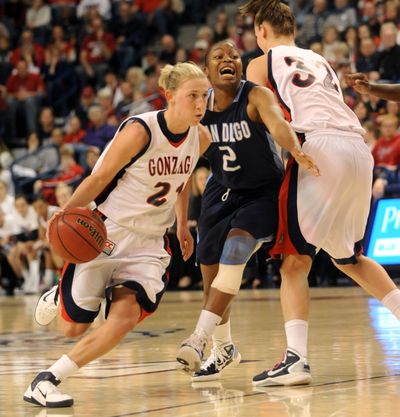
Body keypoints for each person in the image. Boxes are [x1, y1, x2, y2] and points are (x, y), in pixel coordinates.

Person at [23, 61, 211, 408]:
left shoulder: (201, 136)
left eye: (205, 96)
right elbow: (97, 179)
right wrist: (62, 217)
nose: (201, 104)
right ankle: (58, 296)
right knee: (72, 329)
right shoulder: (140, 132)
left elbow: (182, 180)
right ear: (169, 96)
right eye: (192, 96)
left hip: (150, 243)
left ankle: (47, 379)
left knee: (124, 318)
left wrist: (182, 223)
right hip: (106, 235)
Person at [238, 0, 400, 387]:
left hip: (318, 148)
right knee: (349, 257)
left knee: (294, 259)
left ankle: (295, 359)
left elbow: (262, 118)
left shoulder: (262, 62)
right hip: (358, 150)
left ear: (261, 31)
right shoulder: (320, 60)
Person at [176, 40, 319, 378]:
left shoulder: (254, 96)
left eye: (234, 56)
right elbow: (182, 170)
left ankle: (198, 339)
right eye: (219, 57)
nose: (228, 60)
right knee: (210, 276)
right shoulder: (200, 109)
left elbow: (279, 125)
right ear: (207, 71)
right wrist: (181, 224)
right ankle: (224, 348)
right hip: (220, 191)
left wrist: (295, 151)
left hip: (262, 192)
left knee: (237, 248)